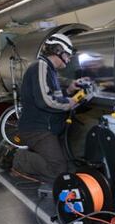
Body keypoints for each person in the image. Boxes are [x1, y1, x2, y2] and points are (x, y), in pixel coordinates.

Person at [11, 33, 83, 183]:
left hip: (47, 127)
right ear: (58, 51)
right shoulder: (40, 67)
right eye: (67, 55)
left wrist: (68, 91)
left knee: (67, 162)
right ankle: (19, 158)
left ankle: (37, 155)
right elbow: (45, 101)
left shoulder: (49, 70)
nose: (69, 59)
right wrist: (69, 103)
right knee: (58, 169)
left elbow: (51, 95)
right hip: (37, 130)